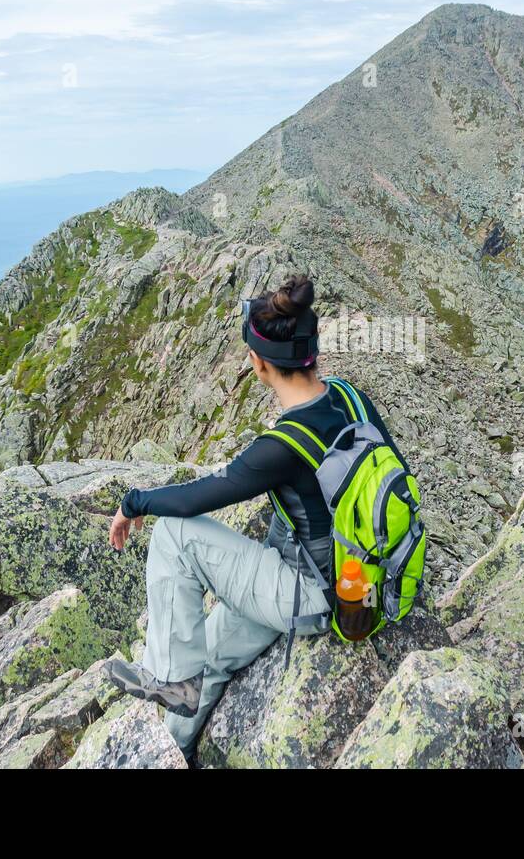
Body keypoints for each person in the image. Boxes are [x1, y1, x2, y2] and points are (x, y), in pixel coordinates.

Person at [104, 274, 410, 758]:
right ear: (313, 355)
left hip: (307, 592)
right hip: (362, 584)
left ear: (258, 363)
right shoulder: (351, 397)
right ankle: (172, 750)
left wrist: (133, 503)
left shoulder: (282, 446)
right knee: (211, 653)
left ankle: (168, 679)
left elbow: (191, 502)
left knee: (174, 536)